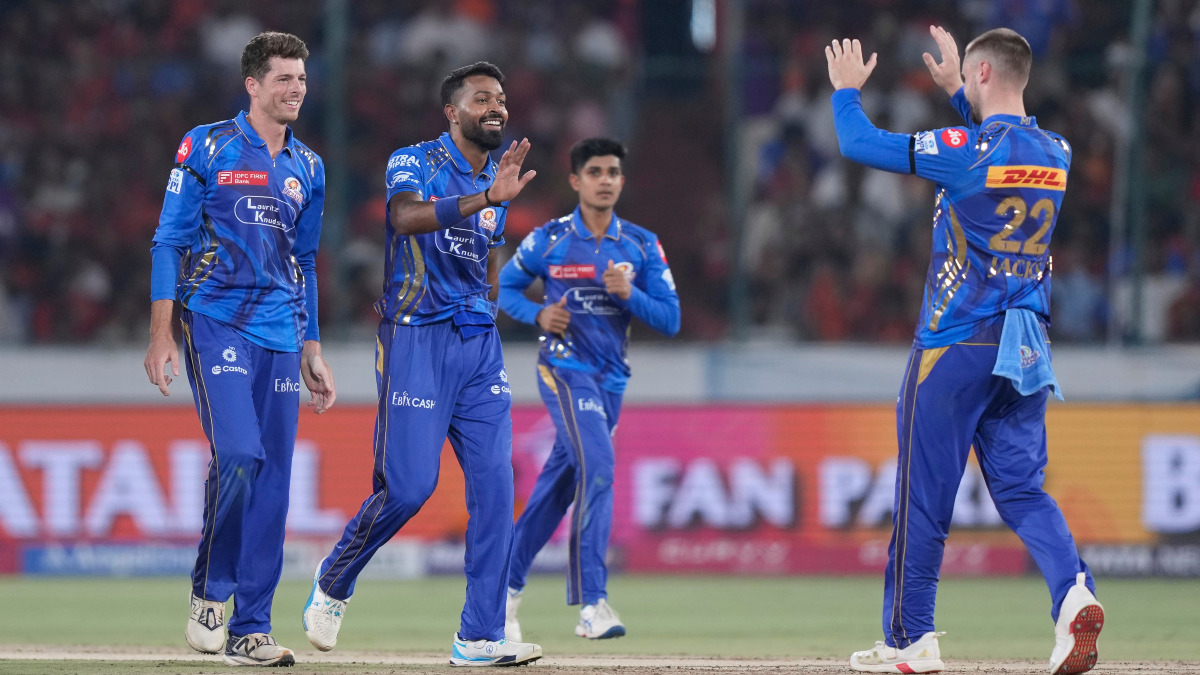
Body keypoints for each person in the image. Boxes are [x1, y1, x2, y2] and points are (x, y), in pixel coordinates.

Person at [825, 26, 1104, 675]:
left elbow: (858, 142)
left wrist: (845, 93)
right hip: (1027, 344)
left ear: (981, 74)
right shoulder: (1056, 150)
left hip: (956, 343)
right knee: (1022, 489)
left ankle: (910, 639)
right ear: (1020, 74)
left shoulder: (965, 148)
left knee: (924, 495)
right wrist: (957, 91)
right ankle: (1074, 595)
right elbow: (996, 153)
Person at [300, 61, 543, 667]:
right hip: (415, 339)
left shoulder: (499, 178)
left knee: (495, 488)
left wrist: (487, 304)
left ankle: (480, 636)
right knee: (409, 488)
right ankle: (334, 580)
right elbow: (403, 217)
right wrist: (487, 196)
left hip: (477, 346)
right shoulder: (414, 160)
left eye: (501, 98)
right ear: (451, 111)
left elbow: (488, 254)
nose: (496, 106)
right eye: (482, 97)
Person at [144, 31, 336, 668]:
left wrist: (312, 346)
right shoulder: (206, 145)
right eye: (283, 79)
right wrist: (161, 332)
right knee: (240, 455)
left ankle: (252, 629)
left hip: (283, 334)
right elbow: (168, 240)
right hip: (216, 320)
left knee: (276, 482)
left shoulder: (309, 166)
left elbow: (304, 261)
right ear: (252, 84)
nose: (295, 91)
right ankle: (210, 588)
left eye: (302, 80)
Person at [499, 138, 681, 642]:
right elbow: (505, 289)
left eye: (613, 172)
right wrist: (537, 313)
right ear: (576, 181)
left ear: (622, 181)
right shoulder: (550, 239)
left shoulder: (642, 245)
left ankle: (502, 595)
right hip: (563, 368)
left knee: (557, 489)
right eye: (595, 171)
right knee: (598, 467)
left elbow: (670, 319)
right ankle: (592, 604)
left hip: (611, 380)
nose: (605, 179)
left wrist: (631, 294)